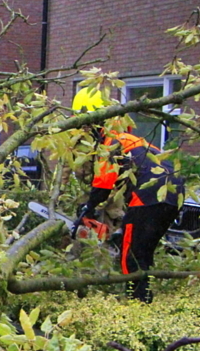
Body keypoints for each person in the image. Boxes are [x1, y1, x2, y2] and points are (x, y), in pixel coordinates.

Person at [71, 87, 185, 302]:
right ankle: (144, 299)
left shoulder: (110, 143)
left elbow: (103, 185)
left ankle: (135, 303)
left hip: (148, 196)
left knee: (129, 254)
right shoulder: (135, 141)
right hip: (173, 193)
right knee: (143, 253)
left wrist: (87, 209)